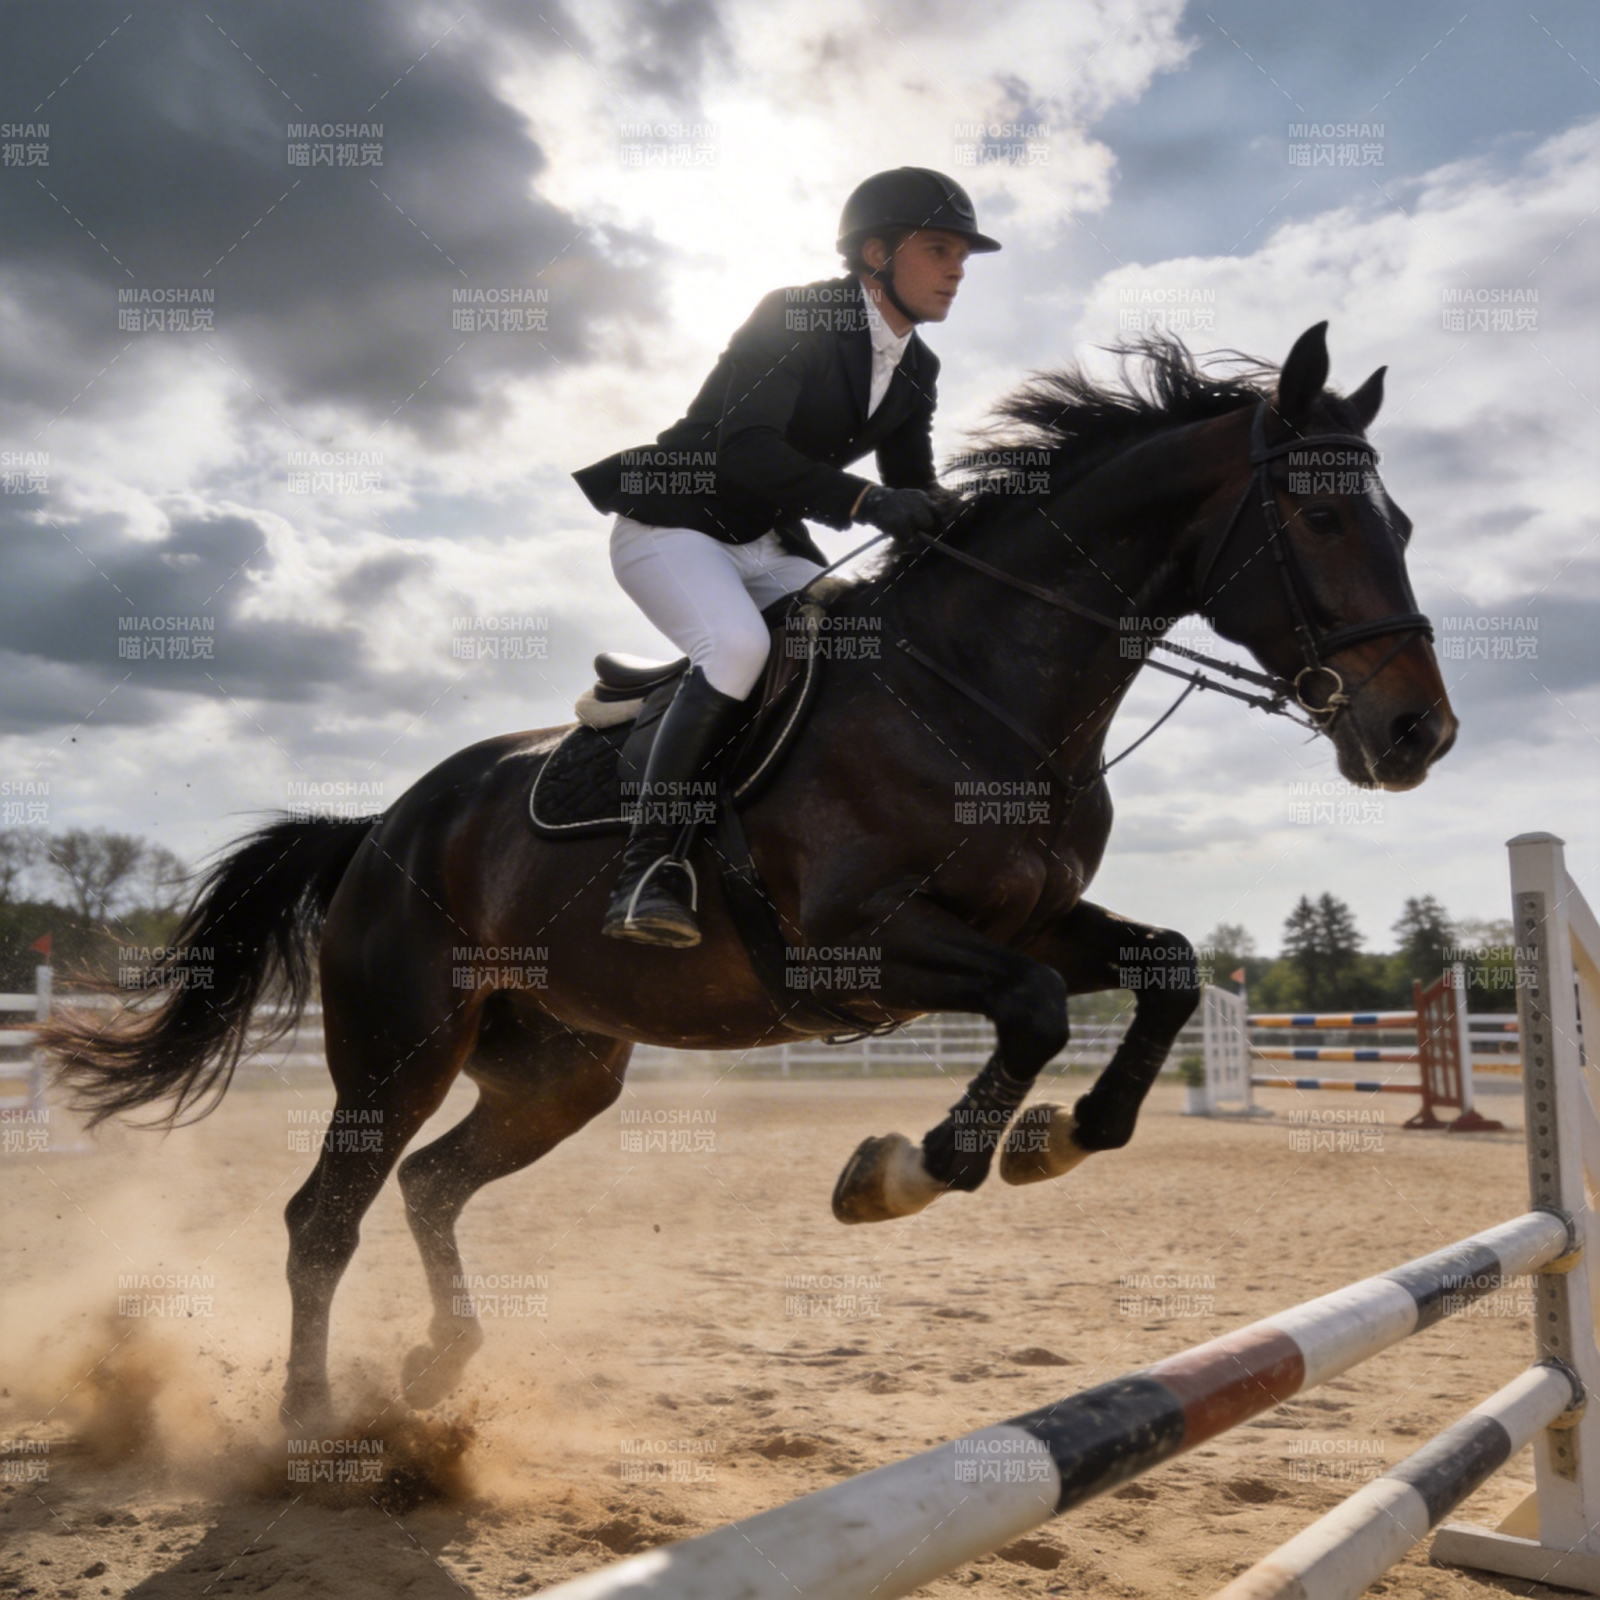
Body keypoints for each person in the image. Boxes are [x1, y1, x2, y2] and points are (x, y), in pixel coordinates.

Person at [572, 167, 1001, 947]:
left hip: (767, 543)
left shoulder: (918, 367)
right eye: (939, 249)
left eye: (964, 256)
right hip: (675, 525)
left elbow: (913, 482)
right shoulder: (798, 314)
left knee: (858, 643)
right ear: (875, 254)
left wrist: (971, 521)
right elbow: (747, 447)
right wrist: (864, 504)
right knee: (737, 648)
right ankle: (648, 868)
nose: (957, 270)